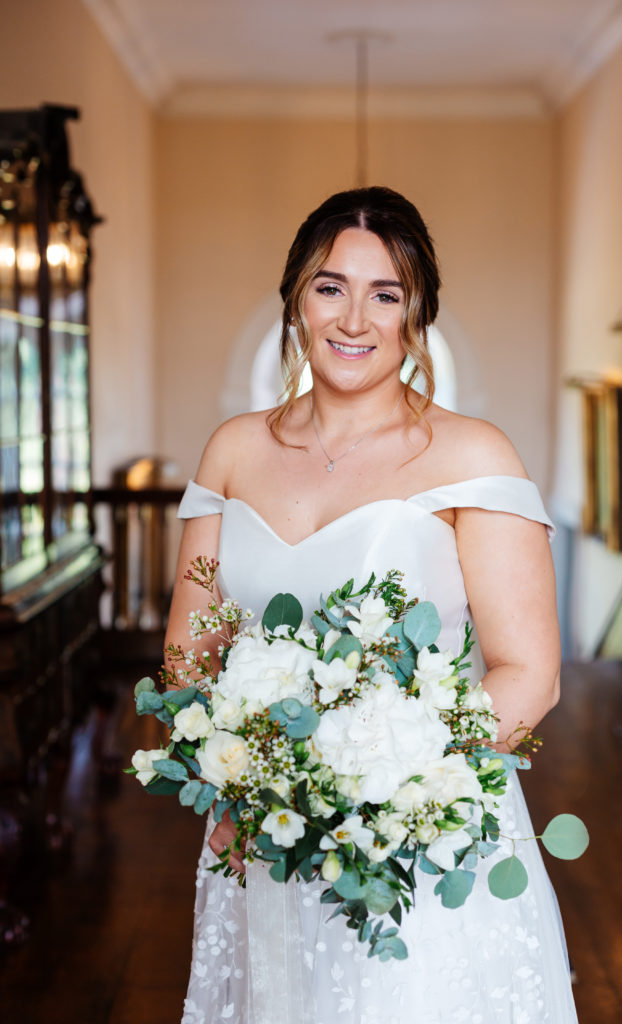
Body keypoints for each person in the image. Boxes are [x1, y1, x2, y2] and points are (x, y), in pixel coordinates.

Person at [167, 186, 578, 1023]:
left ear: (414, 314)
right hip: (263, 837)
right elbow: (189, 654)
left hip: (416, 849)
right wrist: (248, 784)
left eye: (384, 294)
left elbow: (528, 673)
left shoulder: (472, 453)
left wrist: (380, 799)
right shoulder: (233, 450)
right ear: (295, 300)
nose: (354, 319)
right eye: (330, 287)